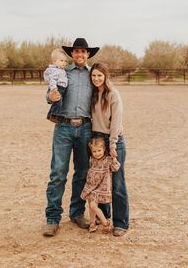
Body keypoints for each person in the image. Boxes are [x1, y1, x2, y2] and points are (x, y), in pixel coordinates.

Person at [43, 38, 100, 237]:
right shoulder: (62, 72)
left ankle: (77, 213)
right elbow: (48, 95)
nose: (80, 55)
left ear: (88, 55)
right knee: (58, 173)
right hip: (63, 128)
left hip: (85, 128)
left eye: (83, 52)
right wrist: (50, 97)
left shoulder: (93, 75)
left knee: (82, 173)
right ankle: (52, 218)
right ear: (72, 54)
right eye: (77, 52)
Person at [90, 62, 130, 236]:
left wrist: (113, 144)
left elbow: (116, 122)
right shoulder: (92, 94)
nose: (97, 78)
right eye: (94, 75)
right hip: (98, 140)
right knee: (100, 180)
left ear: (106, 76)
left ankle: (121, 222)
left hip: (113, 140)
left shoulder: (113, 94)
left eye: (100, 75)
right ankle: (104, 215)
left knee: (117, 183)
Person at [81, 137, 120, 233]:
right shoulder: (92, 159)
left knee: (94, 206)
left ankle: (105, 222)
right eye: (94, 151)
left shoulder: (107, 160)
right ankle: (92, 223)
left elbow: (116, 168)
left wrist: (114, 158)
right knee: (90, 204)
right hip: (91, 185)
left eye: (99, 150)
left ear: (104, 149)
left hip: (101, 187)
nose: (97, 153)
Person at [43, 48, 68, 122]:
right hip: (58, 88)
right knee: (58, 102)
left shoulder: (61, 69)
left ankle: (50, 114)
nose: (64, 63)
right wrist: (54, 88)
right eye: (61, 60)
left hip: (62, 88)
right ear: (54, 61)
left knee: (58, 102)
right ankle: (54, 115)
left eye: (65, 61)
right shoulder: (55, 71)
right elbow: (52, 79)